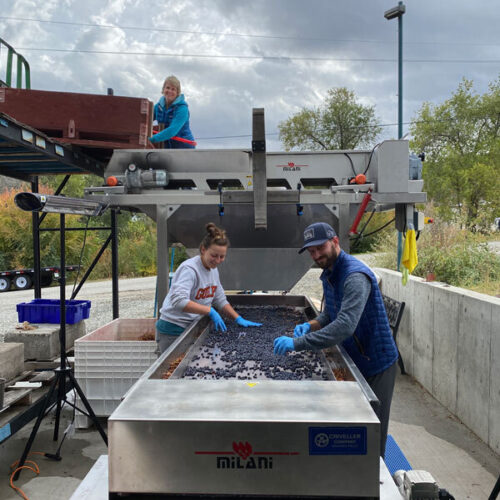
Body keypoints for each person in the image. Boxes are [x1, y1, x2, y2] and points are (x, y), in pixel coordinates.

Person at [273, 222, 398, 457]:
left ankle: (377, 482)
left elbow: (344, 326)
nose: (317, 255)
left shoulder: (354, 276)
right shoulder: (330, 273)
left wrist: (297, 344)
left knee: (373, 430)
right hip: (355, 358)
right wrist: (308, 326)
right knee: (354, 428)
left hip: (376, 362)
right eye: (311, 251)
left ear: (335, 242)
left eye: (320, 248)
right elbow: (330, 313)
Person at [156, 222, 262, 354]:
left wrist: (237, 318)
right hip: (173, 330)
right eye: (214, 255)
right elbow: (178, 301)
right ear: (203, 249)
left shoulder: (213, 270)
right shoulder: (189, 269)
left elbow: (220, 299)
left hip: (192, 327)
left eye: (222, 256)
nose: (217, 260)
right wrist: (210, 311)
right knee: (173, 372)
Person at [149, 75, 196, 149]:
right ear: (163, 89)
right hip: (167, 147)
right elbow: (145, 119)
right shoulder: (158, 107)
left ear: (177, 93)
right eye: (167, 88)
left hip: (184, 147)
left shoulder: (182, 109)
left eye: (173, 89)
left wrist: (151, 139)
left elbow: (172, 130)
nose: (170, 91)